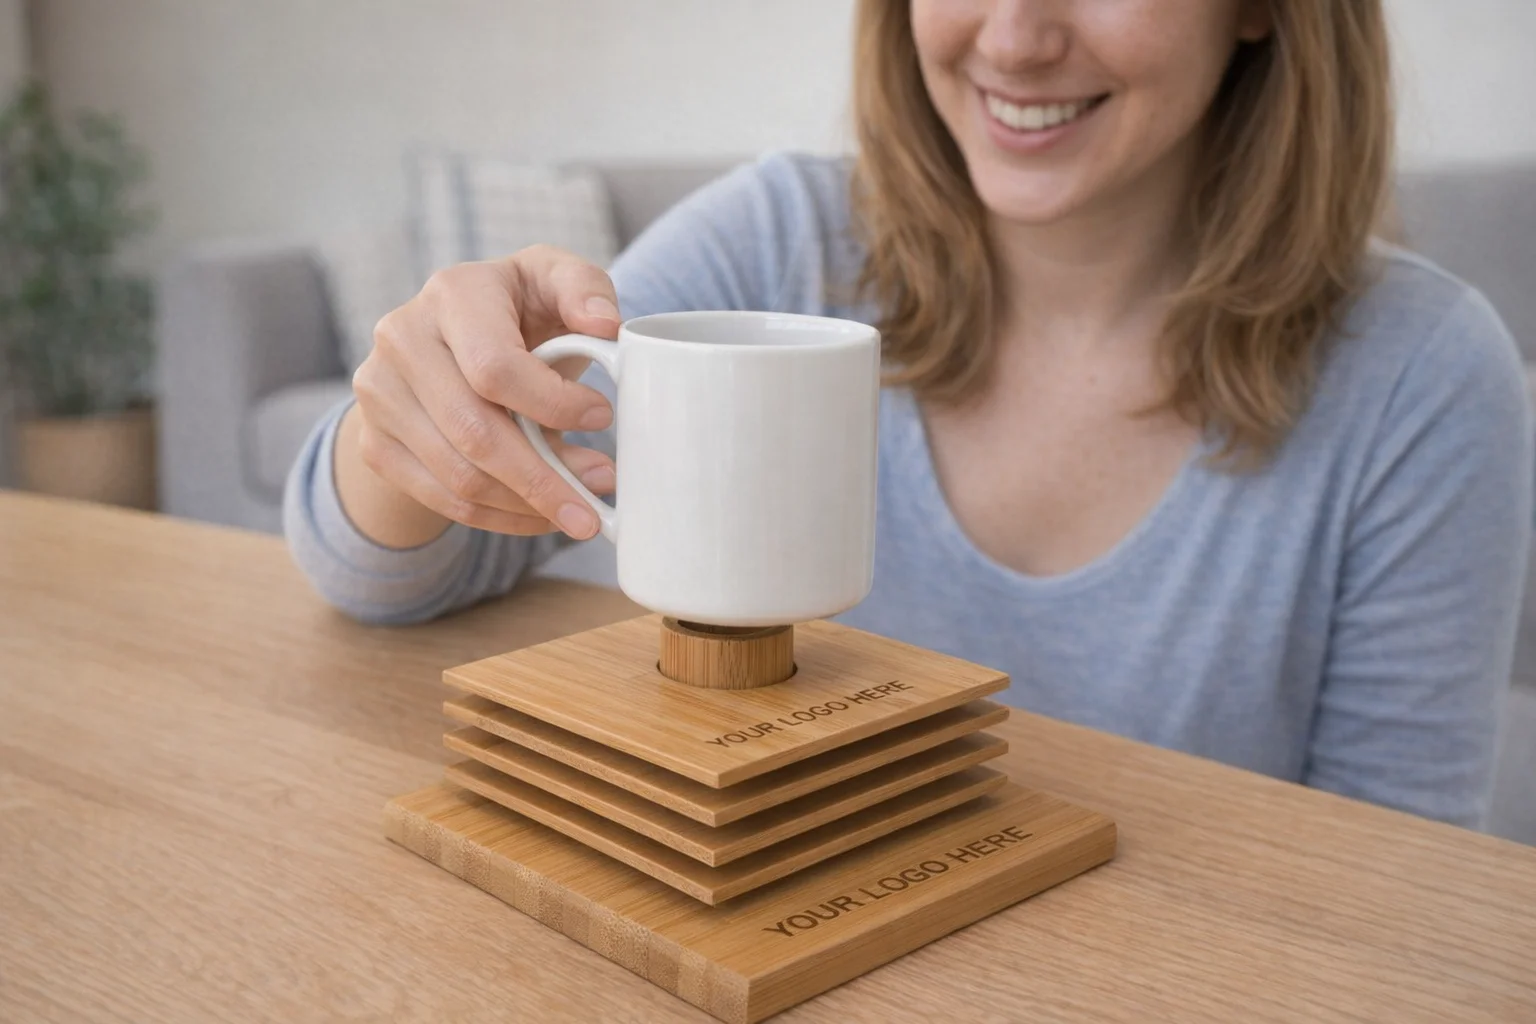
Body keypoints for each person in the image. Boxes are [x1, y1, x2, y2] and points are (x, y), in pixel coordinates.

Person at [284, 0, 1532, 829]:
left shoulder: (1422, 380)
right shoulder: (784, 244)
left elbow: (1395, 902)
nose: (1016, 35)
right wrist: (414, 419)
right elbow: (384, 577)